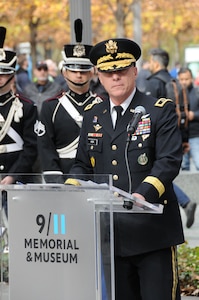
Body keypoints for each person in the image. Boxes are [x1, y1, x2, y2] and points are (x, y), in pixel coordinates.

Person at [69, 38, 184, 299]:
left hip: (151, 231)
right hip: (111, 234)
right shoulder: (93, 114)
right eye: (108, 72)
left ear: (134, 70)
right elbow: (81, 164)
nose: (115, 77)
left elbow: (168, 161)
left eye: (121, 70)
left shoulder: (158, 111)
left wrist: (143, 194)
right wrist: (69, 191)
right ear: (99, 75)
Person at [37, 19, 102, 183]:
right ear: (64, 72)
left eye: (83, 70)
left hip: (97, 175)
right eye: (73, 70)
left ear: (92, 73)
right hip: (63, 175)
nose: (78, 75)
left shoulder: (103, 104)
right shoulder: (51, 107)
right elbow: (46, 147)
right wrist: (55, 181)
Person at [145, 48, 196, 228]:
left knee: (154, 175)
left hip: (153, 140)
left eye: (150, 61)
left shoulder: (152, 84)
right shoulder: (174, 82)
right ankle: (184, 203)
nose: (149, 65)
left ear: (156, 63)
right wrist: (184, 140)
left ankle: (184, 202)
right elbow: (181, 114)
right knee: (164, 173)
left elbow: (146, 116)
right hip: (176, 137)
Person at [0, 26, 38, 184]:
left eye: (4, 73)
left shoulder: (27, 106)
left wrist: (13, 176)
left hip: (16, 178)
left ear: (12, 75)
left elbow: (31, 147)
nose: (0, 77)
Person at [178, 67, 199, 171]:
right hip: (181, 136)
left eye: (186, 79)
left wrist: (194, 115)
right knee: (183, 168)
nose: (184, 82)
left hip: (195, 135)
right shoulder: (176, 94)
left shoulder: (196, 92)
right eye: (181, 79)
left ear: (191, 78)